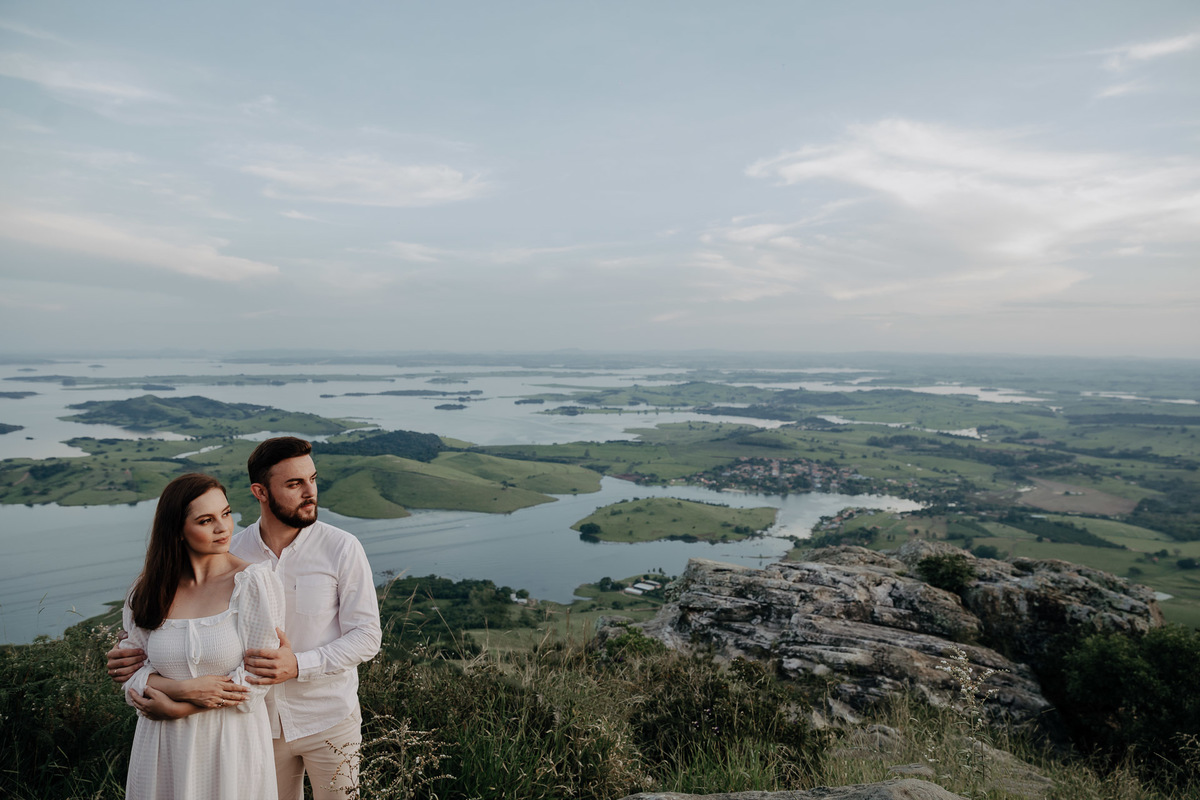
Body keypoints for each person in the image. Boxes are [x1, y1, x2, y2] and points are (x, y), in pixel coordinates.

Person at [109, 437, 382, 800]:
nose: (310, 492)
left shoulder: (342, 547)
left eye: (312, 479)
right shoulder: (229, 552)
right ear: (260, 492)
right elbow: (179, 624)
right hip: (256, 725)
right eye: (294, 484)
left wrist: (298, 665)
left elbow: (367, 636)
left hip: (327, 717)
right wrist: (137, 656)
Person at [119, 473, 285, 800]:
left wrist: (182, 709)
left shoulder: (252, 583)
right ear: (177, 530)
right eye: (206, 520)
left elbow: (258, 679)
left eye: (226, 513)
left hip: (231, 745)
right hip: (162, 747)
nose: (223, 527)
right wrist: (184, 689)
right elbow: (131, 677)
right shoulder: (147, 590)